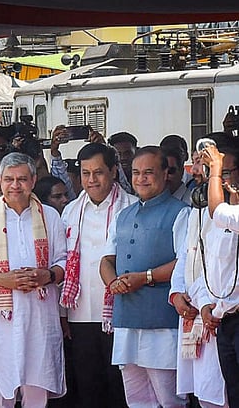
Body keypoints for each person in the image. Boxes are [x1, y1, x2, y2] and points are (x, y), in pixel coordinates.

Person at [0, 152, 67, 407]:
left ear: (33, 180)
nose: (15, 185)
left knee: (36, 393)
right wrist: (3, 280)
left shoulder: (49, 216)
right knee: (1, 395)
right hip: (0, 323)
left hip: (40, 319)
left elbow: (64, 262)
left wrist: (47, 275)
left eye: (21, 179)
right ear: (0, 182)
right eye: (8, 179)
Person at [100, 146, 189, 408]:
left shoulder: (181, 213)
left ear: (166, 173)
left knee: (168, 397)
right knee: (136, 397)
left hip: (161, 320)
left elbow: (185, 263)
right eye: (136, 173)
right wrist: (112, 282)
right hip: (127, 317)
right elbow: (107, 259)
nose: (141, 179)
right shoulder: (123, 215)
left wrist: (146, 277)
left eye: (148, 172)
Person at [59, 143, 136, 408]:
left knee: (120, 387)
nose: (91, 180)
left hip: (120, 314)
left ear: (114, 171)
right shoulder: (71, 211)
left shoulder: (131, 208)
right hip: (80, 314)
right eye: (85, 173)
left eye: (99, 172)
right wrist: (62, 314)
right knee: (88, 386)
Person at [170, 185, 230, 408]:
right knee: (204, 393)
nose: (195, 169)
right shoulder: (194, 212)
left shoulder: (227, 216)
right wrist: (176, 292)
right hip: (194, 310)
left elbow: (217, 267)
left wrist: (202, 301)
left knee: (222, 392)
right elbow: (184, 257)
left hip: (217, 311)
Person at [199, 141, 239, 406]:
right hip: (228, 319)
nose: (223, 178)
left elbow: (217, 211)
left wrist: (215, 168)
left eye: (227, 170)